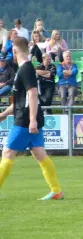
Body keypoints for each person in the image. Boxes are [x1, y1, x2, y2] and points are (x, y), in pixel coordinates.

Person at [0, 37, 63, 200]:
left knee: (7, 152)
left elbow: (32, 94)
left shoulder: (26, 69)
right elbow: (21, 100)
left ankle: (56, 190)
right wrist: (4, 114)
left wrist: (32, 120)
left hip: (25, 120)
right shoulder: (24, 69)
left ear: (15, 51)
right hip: (29, 117)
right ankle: (56, 190)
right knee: (39, 154)